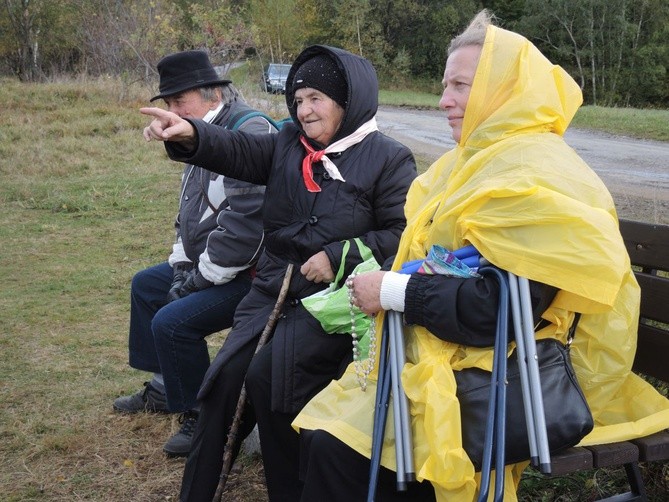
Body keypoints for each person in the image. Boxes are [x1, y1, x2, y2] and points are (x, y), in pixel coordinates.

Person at [293, 9, 669, 501]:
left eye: (461, 86)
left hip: (520, 368)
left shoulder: (534, 173)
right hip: (469, 349)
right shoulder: (476, 159)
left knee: (338, 447)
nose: (444, 101)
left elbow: (500, 309)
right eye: (446, 85)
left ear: (504, 90)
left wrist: (391, 289)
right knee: (328, 429)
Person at [140, 45, 417, 501]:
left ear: (348, 100)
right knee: (221, 387)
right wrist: (190, 133)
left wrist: (340, 253)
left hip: (334, 303)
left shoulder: (388, 158)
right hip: (272, 291)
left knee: (272, 381)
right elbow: (237, 150)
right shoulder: (289, 143)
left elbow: (402, 234)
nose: (304, 111)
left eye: (316, 99)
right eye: (299, 99)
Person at [113, 50, 275, 457]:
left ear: (212, 93)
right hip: (215, 264)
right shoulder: (199, 127)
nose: (172, 111)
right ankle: (167, 387)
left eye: (178, 101)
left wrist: (197, 280)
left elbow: (246, 226)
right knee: (147, 286)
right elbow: (192, 209)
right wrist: (182, 264)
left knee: (173, 320)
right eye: (168, 103)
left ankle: (204, 417)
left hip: (254, 274)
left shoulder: (247, 129)